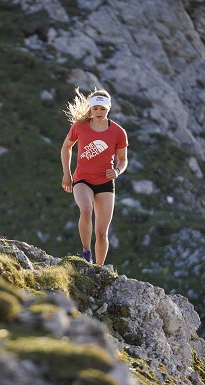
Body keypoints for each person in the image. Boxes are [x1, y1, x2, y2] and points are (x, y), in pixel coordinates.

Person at [60, 88, 128, 266]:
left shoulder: (118, 132)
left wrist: (117, 171)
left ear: (109, 109)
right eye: (96, 108)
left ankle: (98, 269)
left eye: (103, 109)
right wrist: (67, 174)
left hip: (105, 183)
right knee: (86, 209)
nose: (99, 112)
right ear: (90, 108)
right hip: (82, 180)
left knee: (102, 233)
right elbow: (66, 148)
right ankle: (86, 252)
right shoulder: (79, 127)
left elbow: (123, 160)